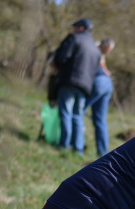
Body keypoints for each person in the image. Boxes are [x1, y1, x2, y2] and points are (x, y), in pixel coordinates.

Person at [53, 18, 100, 156]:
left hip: (70, 81)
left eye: (75, 27)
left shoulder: (74, 38)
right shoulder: (95, 49)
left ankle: (63, 145)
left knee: (66, 113)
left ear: (80, 28)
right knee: (78, 116)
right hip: (86, 86)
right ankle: (78, 148)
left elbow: (61, 57)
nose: (73, 29)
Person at [85, 38, 115, 158]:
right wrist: (107, 72)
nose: (108, 52)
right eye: (108, 49)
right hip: (107, 84)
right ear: (104, 45)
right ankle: (102, 153)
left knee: (77, 113)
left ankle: (74, 145)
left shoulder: (96, 49)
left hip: (99, 82)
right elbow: (101, 64)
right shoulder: (97, 48)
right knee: (100, 119)